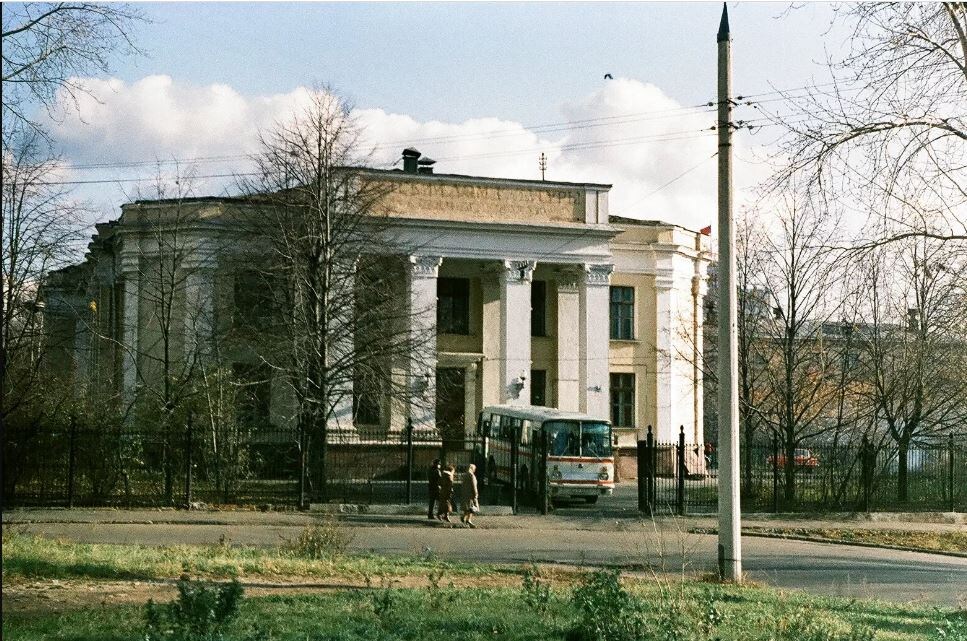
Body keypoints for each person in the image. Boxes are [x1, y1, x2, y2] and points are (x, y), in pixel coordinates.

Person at [459, 463, 480, 528]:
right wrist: (476, 494)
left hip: (465, 493)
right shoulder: (472, 476)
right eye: (474, 469)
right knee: (472, 508)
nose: (474, 470)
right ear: (472, 468)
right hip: (471, 494)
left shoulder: (465, 475)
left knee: (468, 507)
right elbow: (474, 486)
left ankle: (463, 517)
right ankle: (469, 520)